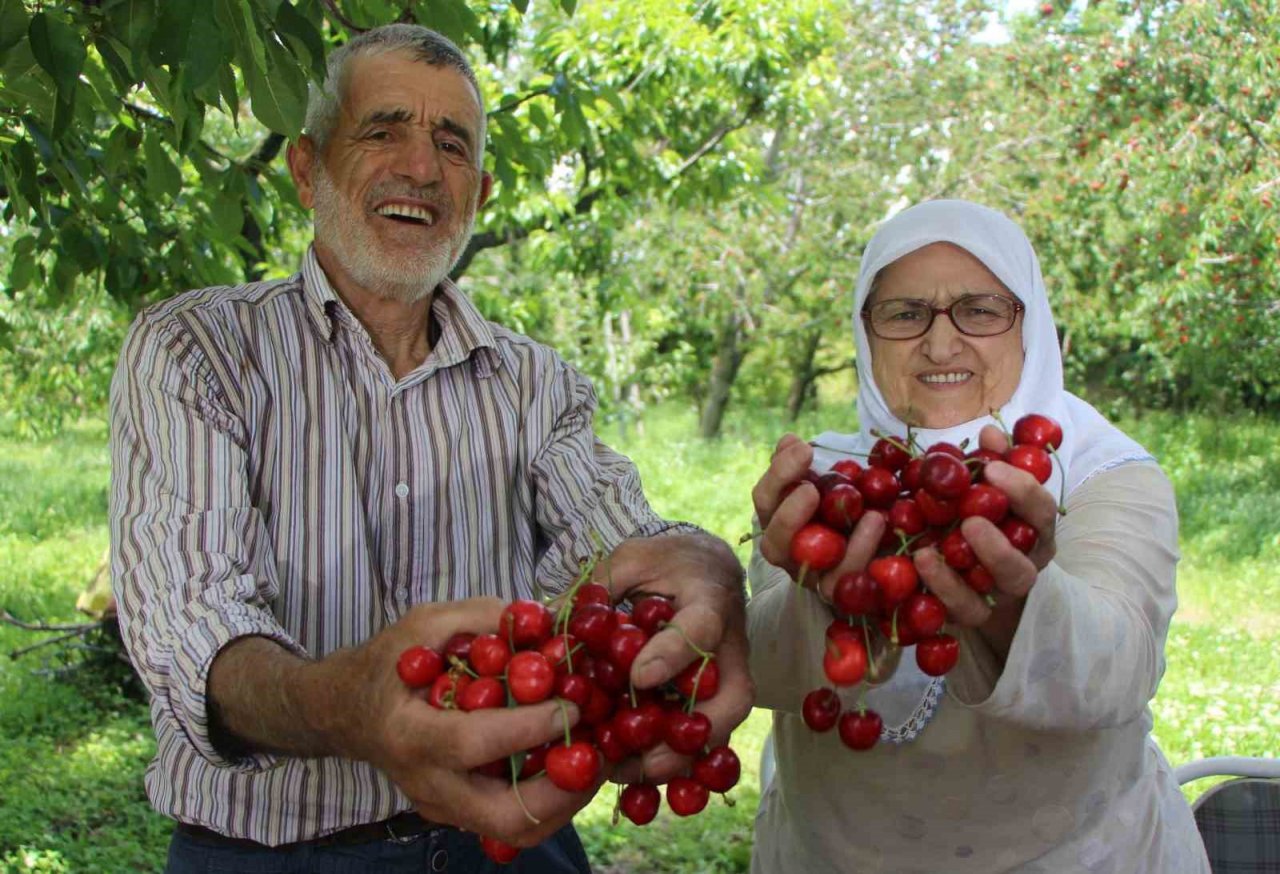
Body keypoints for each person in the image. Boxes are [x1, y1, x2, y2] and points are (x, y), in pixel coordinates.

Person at [108, 24, 751, 874]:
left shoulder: (537, 383)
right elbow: (193, 625)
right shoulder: (195, 351)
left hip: (511, 839)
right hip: (271, 854)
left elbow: (611, 547)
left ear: (479, 191)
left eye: (451, 144)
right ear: (306, 169)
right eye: (382, 130)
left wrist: (700, 561)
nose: (420, 167)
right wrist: (350, 705)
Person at [745, 199, 1209, 873]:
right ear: (864, 331)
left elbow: (1120, 669)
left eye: (981, 309)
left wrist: (1019, 606)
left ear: (1032, 325)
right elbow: (766, 666)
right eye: (904, 314)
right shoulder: (823, 481)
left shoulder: (1100, 473)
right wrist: (827, 599)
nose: (939, 344)